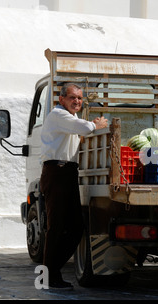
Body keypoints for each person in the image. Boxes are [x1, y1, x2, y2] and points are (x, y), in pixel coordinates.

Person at [40, 83, 108, 289]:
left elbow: (79, 131)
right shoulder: (58, 115)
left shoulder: (69, 118)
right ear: (61, 100)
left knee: (75, 227)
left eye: (79, 98)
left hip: (66, 172)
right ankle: (49, 275)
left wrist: (90, 125)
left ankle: (51, 272)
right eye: (72, 98)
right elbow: (86, 128)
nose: (77, 101)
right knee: (57, 227)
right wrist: (98, 123)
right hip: (57, 172)